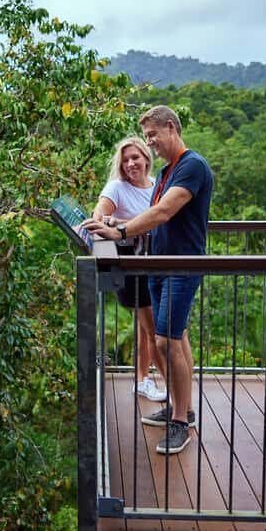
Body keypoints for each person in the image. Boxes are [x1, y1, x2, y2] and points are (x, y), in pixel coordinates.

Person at [83, 105, 213, 455]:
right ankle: (181, 408)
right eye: (147, 137)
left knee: (166, 342)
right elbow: (149, 214)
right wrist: (110, 224)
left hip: (180, 266)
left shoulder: (192, 166)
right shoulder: (168, 171)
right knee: (173, 339)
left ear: (171, 127)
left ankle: (181, 422)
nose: (150, 142)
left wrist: (121, 231)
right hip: (157, 265)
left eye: (153, 135)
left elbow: (163, 212)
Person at [91, 136, 165, 402]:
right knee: (154, 329)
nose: (130, 164)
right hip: (132, 265)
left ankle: (142, 380)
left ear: (146, 158)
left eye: (135, 158)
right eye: (125, 160)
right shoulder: (117, 187)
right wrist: (119, 223)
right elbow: (99, 216)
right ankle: (174, 389)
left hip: (155, 262)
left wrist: (125, 222)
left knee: (146, 328)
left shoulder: (157, 185)